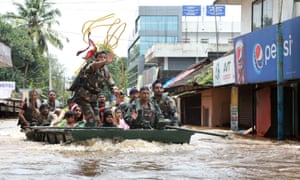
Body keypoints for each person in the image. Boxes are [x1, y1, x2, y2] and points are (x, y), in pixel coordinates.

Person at [69, 50, 117, 127]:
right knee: (91, 119)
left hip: (94, 98)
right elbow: (94, 66)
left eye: (104, 57)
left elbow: (111, 82)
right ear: (95, 58)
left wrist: (115, 90)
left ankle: (86, 132)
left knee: (97, 121)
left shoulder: (105, 70)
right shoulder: (91, 65)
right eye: (100, 57)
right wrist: (105, 61)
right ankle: (87, 138)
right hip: (82, 96)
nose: (103, 59)